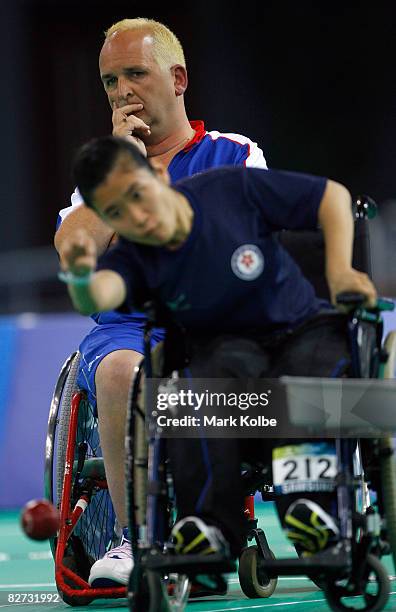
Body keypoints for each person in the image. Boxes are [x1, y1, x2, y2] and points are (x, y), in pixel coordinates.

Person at [59, 135, 377, 563]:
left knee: (309, 375)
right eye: (117, 213)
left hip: (300, 331)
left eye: (137, 196)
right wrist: (81, 278)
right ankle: (208, 529)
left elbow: (332, 197)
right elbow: (101, 293)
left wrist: (341, 270)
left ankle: (312, 512)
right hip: (228, 351)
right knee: (188, 392)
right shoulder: (137, 257)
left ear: (157, 173)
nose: (137, 217)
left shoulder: (230, 187)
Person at [54, 17, 267, 587]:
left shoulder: (233, 154)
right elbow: (74, 246)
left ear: (177, 78)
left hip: (208, 325)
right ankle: (137, 540)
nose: (121, 91)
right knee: (123, 367)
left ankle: (208, 524)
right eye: (108, 81)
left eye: (134, 74)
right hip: (127, 328)